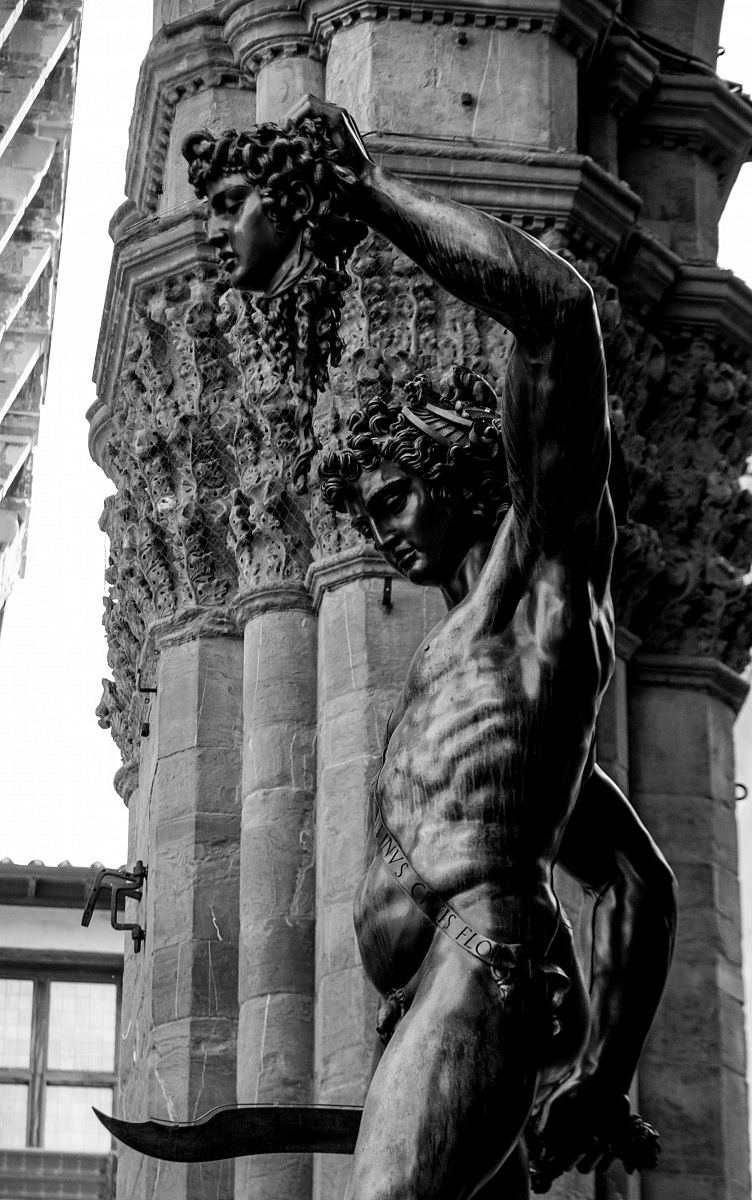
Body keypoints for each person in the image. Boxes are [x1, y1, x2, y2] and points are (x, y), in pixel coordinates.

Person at [187, 97, 677, 1200]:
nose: (384, 531)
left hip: (479, 958)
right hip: (430, 988)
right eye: (366, 512)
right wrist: (599, 1069)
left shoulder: (544, 569)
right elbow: (635, 877)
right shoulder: (485, 683)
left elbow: (558, 312)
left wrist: (365, 197)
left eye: (397, 496)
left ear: (463, 463)